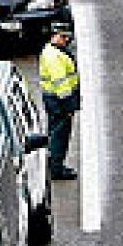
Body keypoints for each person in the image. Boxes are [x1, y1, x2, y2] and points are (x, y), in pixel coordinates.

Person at [39, 28, 80, 180]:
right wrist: (69, 106)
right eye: (62, 37)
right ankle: (56, 169)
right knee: (59, 136)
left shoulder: (53, 52)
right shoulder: (54, 56)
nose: (65, 40)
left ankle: (55, 165)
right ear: (53, 36)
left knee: (57, 134)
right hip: (59, 103)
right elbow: (61, 84)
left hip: (55, 101)